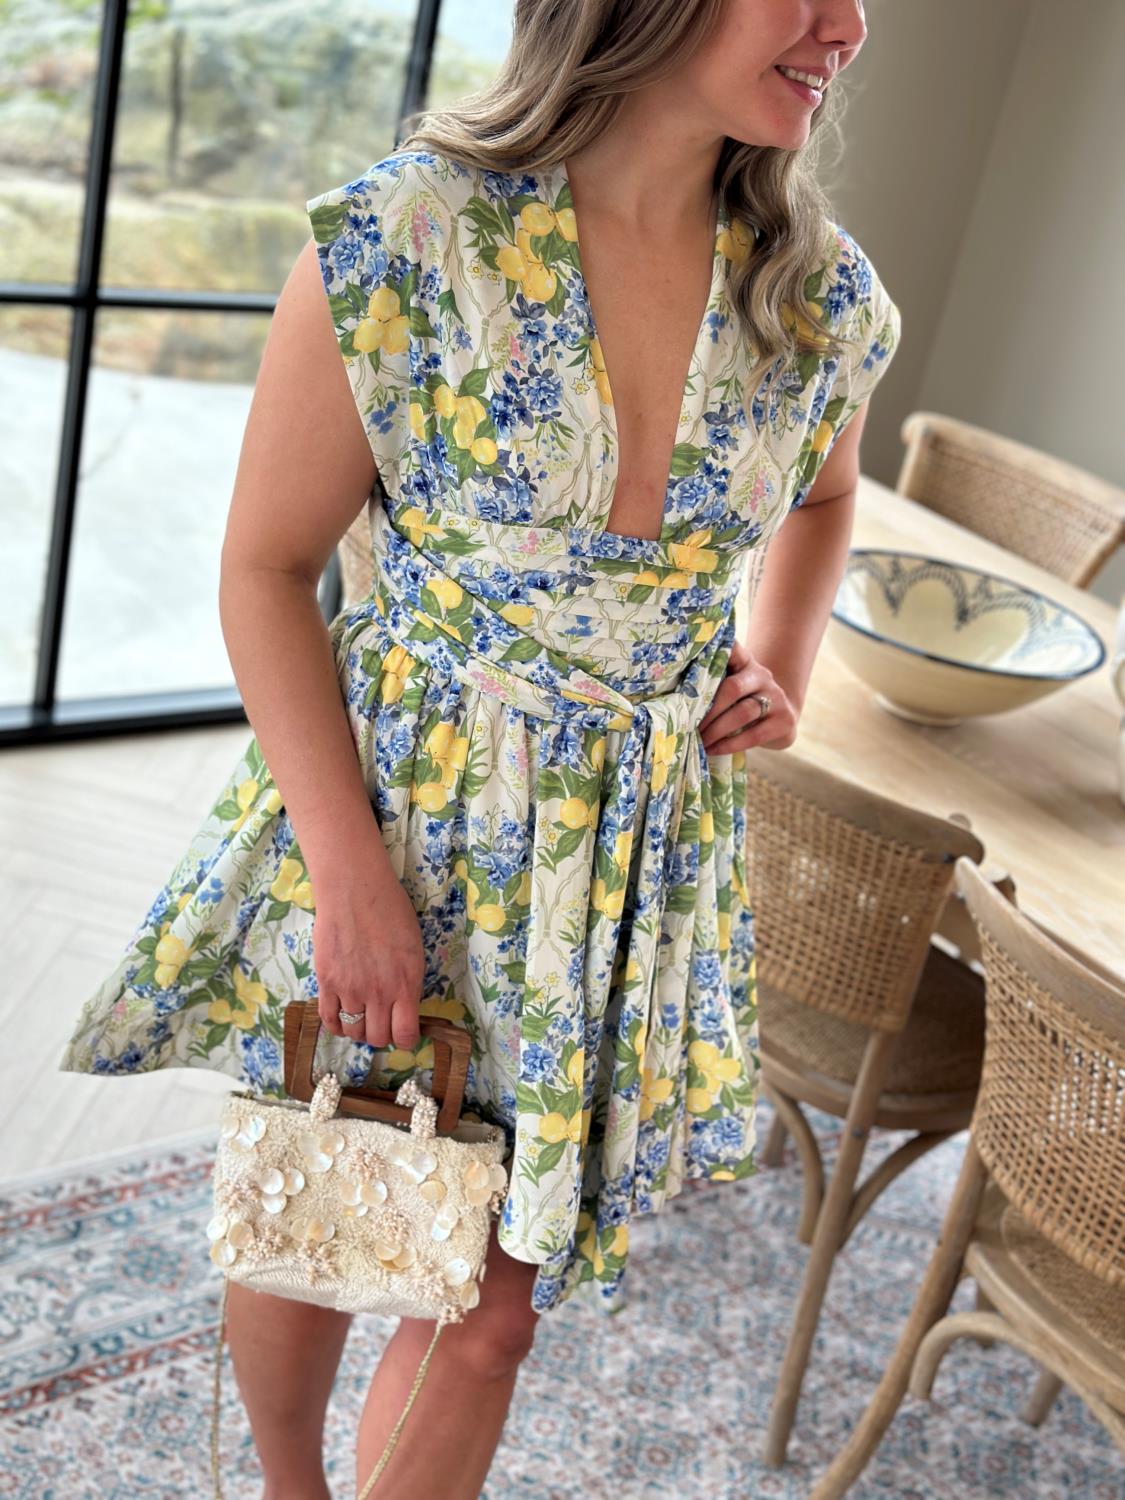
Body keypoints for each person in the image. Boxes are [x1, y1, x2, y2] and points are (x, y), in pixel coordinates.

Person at [59, 0, 900, 1494]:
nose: (848, 25)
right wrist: (349, 881)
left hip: (621, 867)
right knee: (325, 1197)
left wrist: (780, 661)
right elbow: (265, 571)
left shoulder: (815, 297)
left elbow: (828, 497)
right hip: (399, 816)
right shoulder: (413, 235)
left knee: (494, 1313)